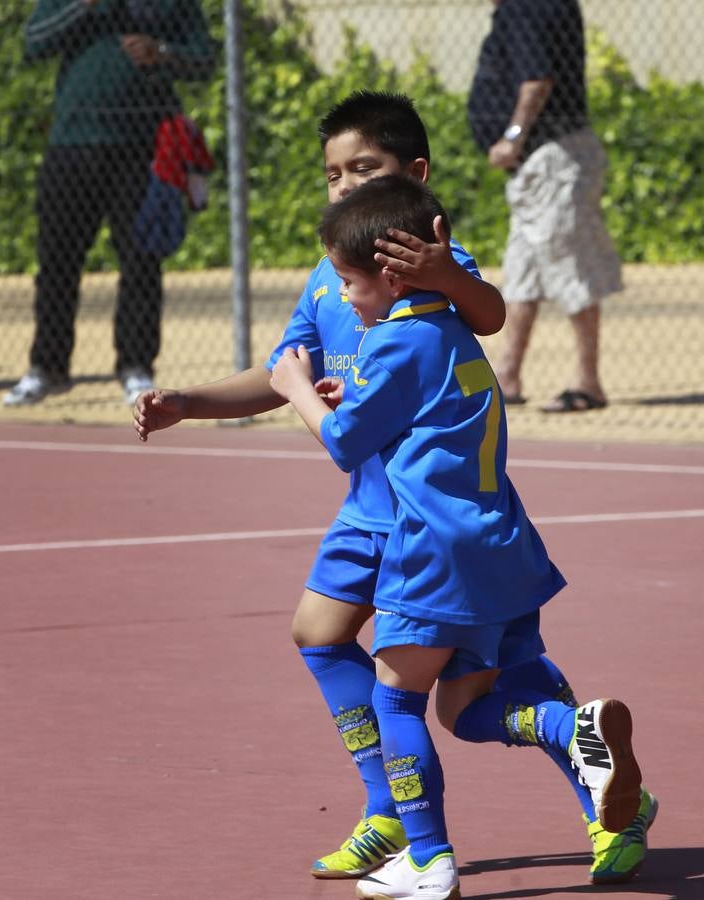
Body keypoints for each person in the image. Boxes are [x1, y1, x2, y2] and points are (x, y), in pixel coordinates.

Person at [133, 91, 655, 886]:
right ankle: (391, 809)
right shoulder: (336, 271)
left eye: (363, 169)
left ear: (413, 175)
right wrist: (191, 402)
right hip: (380, 511)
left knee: (474, 684)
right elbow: (287, 371)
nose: (344, 185)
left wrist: (448, 273)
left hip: (424, 518)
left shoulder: (421, 261)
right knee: (319, 633)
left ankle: (589, 805)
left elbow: (487, 315)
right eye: (333, 173)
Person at [269, 173, 646, 900]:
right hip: (499, 544)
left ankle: (429, 859)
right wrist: (361, 394)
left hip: (432, 552)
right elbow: (422, 407)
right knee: (465, 710)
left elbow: (346, 446)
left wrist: (295, 391)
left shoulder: (393, 343)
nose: (343, 296)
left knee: (397, 701)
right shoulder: (449, 330)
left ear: (386, 273)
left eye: (349, 281)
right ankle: (575, 730)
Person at [3, 0, 215, 408]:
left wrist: (163, 52)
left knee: (140, 261)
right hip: (71, 145)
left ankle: (135, 366)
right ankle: (46, 368)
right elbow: (33, 42)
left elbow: (205, 59)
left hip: (141, 149)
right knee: (57, 263)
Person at [467, 0, 622, 412]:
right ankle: (508, 376)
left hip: (552, 158)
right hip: (543, 164)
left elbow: (536, 80)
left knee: (569, 265)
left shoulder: (524, 6)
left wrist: (513, 137)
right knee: (523, 271)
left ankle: (588, 382)